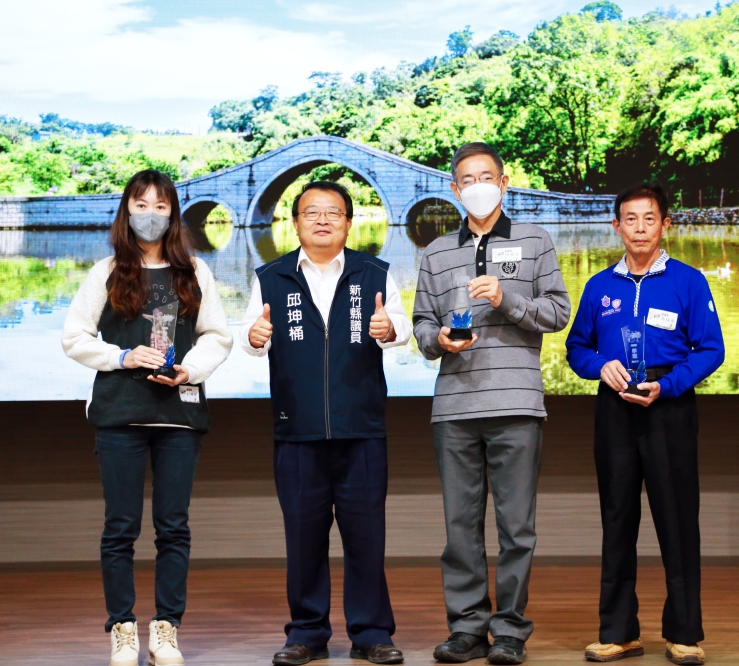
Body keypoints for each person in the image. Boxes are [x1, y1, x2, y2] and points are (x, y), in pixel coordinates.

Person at [62, 169, 232, 666]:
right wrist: (122, 356)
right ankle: (122, 628)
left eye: (161, 206)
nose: (151, 215)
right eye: (141, 205)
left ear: (173, 213)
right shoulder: (106, 271)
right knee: (120, 527)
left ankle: (166, 628)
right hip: (120, 415)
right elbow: (74, 337)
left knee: (173, 527)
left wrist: (189, 370)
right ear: (127, 211)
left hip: (179, 417)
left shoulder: (195, 271)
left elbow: (217, 336)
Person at [241, 181, 412, 666]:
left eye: (333, 213)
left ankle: (372, 633)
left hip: (361, 430)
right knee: (303, 538)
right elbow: (251, 340)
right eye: (311, 212)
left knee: (366, 538)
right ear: (295, 222)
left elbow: (399, 330)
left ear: (348, 223)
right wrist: (254, 336)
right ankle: (307, 633)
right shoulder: (271, 276)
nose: (322, 220)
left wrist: (388, 329)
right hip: (297, 430)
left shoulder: (373, 272)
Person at [413, 142, 572, 665]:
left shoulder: (535, 240)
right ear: (455, 189)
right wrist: (440, 340)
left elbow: (558, 313)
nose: (478, 186)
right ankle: (466, 627)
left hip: (517, 403)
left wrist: (507, 299)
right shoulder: (436, 252)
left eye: (487, 177)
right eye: (467, 179)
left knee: (516, 528)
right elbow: (421, 325)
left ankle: (509, 630)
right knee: (460, 527)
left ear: (503, 183)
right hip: (455, 406)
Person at [564, 183, 724, 665]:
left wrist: (669, 385)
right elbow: (577, 348)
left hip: (668, 406)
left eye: (649, 218)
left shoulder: (689, 281)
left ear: (665, 224)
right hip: (614, 407)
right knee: (617, 519)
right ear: (616, 226)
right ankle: (619, 632)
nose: (639, 228)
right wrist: (600, 367)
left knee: (678, 520)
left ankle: (684, 634)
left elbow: (711, 349)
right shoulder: (599, 286)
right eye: (630, 219)